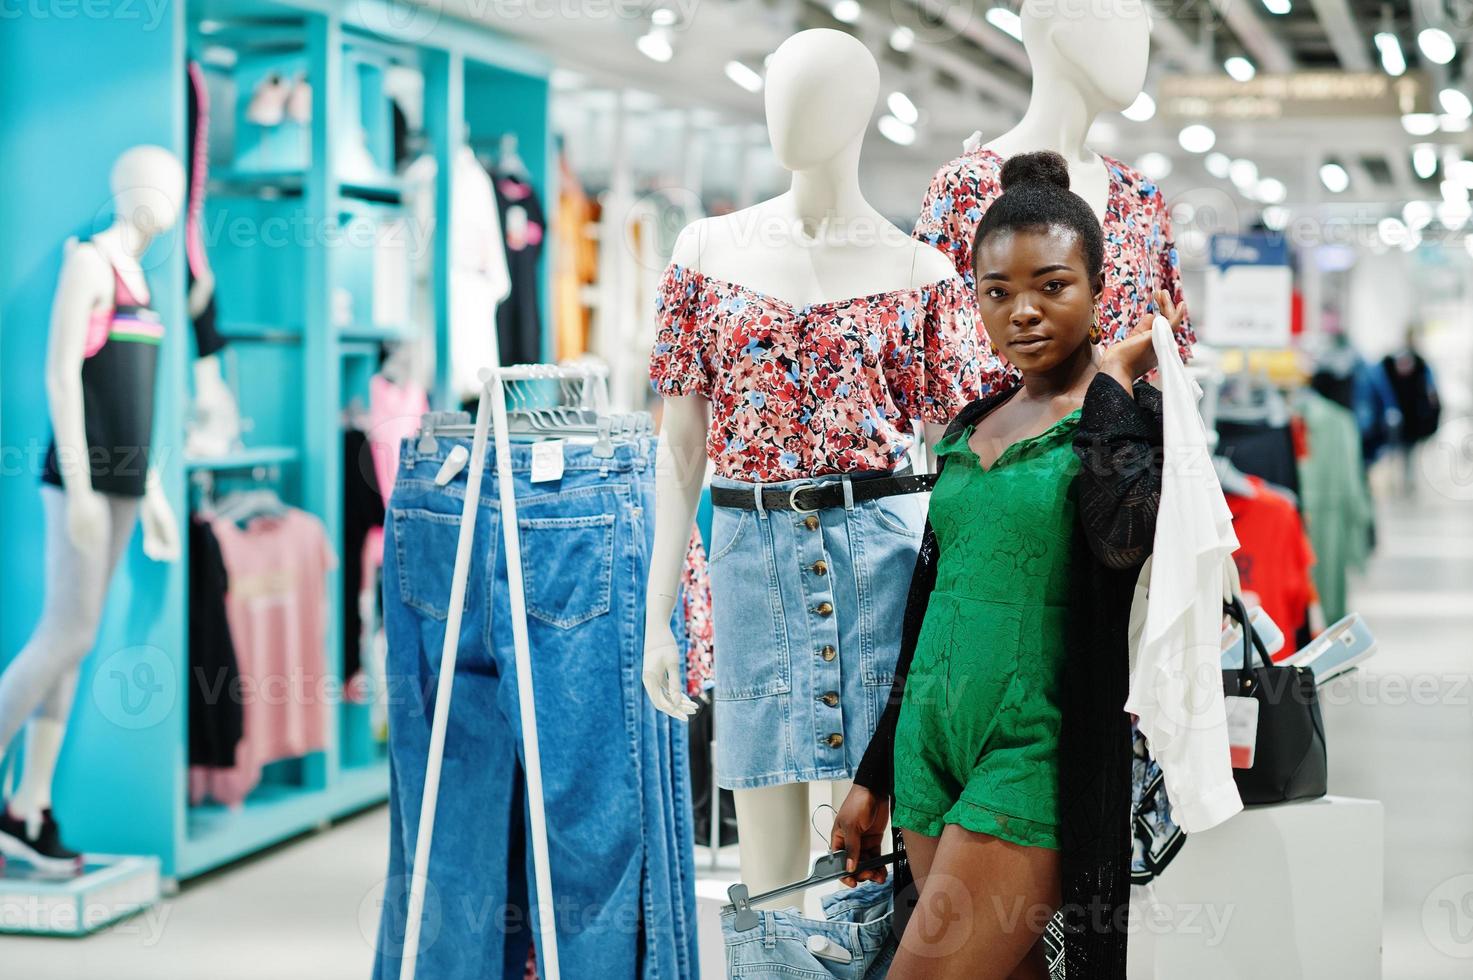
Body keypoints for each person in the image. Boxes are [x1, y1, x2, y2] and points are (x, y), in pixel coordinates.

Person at [830, 150, 1183, 979]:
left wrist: (1116, 378)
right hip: (930, 739)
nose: (1021, 311)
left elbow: (1122, 535)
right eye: (997, 292)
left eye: (1051, 285)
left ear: (1098, 286)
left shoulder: (1125, 419)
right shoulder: (966, 425)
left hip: (1035, 749)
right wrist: (873, 774)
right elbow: (924, 607)